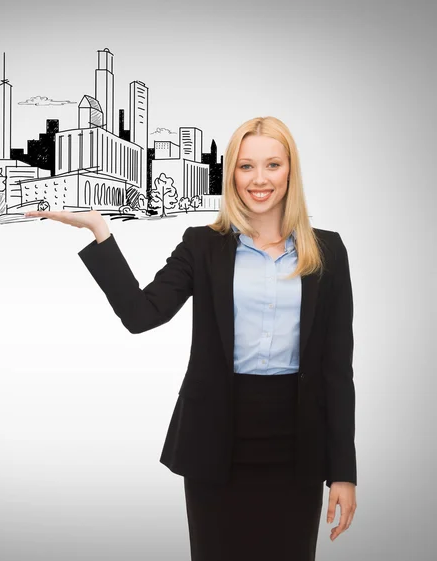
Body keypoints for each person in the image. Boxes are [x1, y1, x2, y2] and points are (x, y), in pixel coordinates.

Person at [25, 116, 357, 560]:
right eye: (245, 167)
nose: (259, 179)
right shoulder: (203, 245)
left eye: (272, 165)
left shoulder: (328, 250)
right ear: (231, 175)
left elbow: (337, 369)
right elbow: (142, 315)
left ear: (291, 171)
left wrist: (343, 473)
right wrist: (100, 232)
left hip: (298, 445)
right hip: (215, 439)